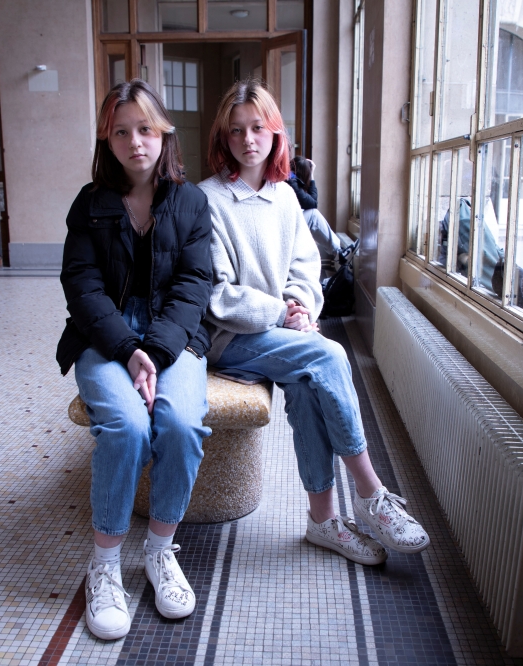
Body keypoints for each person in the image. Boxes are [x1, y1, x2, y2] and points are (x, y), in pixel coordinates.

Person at [198, 79, 430, 567]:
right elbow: (216, 295)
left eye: (258, 127)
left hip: (278, 332)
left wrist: (300, 306)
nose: (248, 139)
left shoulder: (285, 198)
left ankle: (323, 522)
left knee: (307, 385)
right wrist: (282, 312)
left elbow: (306, 268)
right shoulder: (208, 201)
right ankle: (371, 492)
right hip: (228, 339)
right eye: (236, 130)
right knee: (330, 354)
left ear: (276, 133)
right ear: (223, 138)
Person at [56, 79, 213, 640]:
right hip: (105, 335)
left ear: (164, 131)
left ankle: (160, 551)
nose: (135, 142)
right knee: (124, 425)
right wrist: (128, 349)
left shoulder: (191, 202)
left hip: (174, 335)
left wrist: (157, 349)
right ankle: (103, 564)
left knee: (180, 421)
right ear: (108, 138)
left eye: (145, 128)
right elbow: (81, 285)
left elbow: (195, 284)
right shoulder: (90, 202)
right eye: (121, 131)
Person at [286, 155, 342, 262]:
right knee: (312, 215)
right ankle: (339, 252)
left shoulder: (289, 178)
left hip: (285, 224)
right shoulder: (291, 182)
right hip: (285, 228)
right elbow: (313, 203)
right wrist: (312, 175)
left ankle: (339, 252)